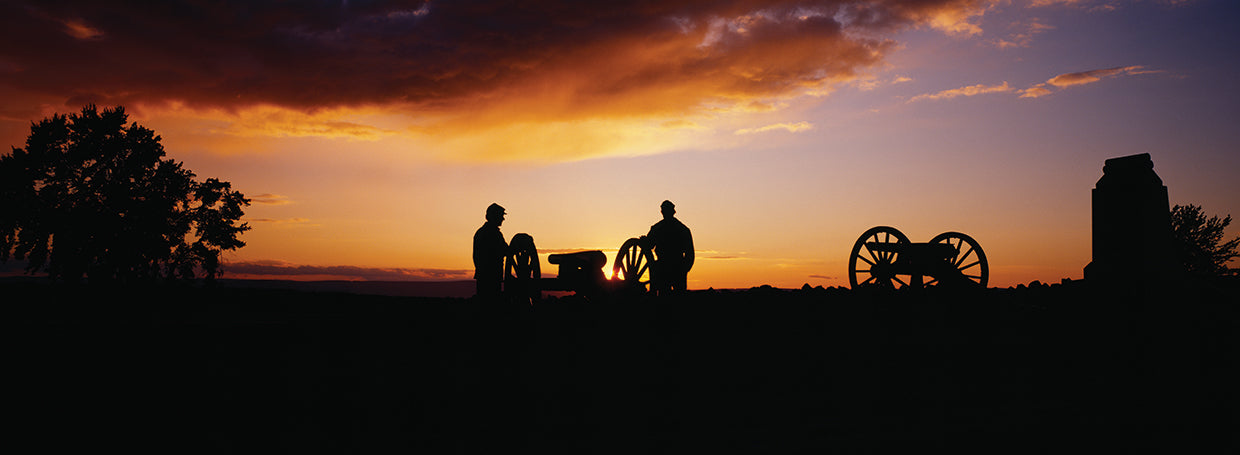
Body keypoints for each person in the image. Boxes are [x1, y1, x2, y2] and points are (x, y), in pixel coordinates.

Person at [646, 200, 694, 295]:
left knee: (664, 295)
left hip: (665, 267)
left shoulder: (657, 228)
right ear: (674, 212)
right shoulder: (683, 229)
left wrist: (684, 269)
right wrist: (684, 269)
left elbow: (649, 245)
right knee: (678, 295)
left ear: (662, 212)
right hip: (677, 267)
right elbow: (690, 254)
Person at [473, 203, 508, 298]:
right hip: (492, 276)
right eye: (501, 216)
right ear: (495, 216)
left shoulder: (480, 232)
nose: (503, 219)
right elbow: (505, 250)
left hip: (483, 275)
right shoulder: (494, 234)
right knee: (492, 300)